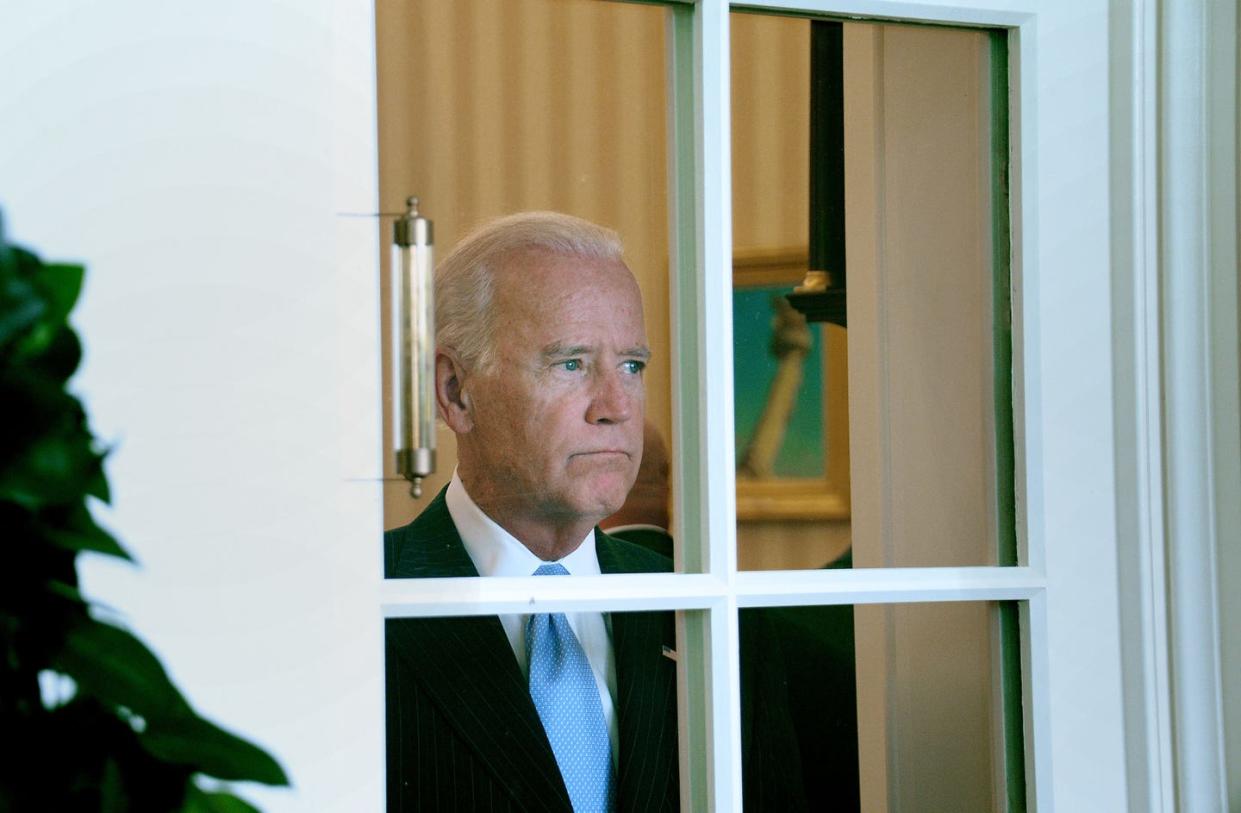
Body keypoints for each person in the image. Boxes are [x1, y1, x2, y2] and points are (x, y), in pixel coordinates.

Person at [384, 212, 807, 812]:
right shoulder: (361, 602)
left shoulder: (713, 615)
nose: (615, 406)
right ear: (455, 391)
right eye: (571, 364)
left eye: (632, 366)